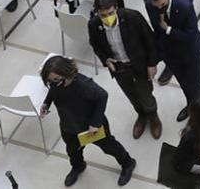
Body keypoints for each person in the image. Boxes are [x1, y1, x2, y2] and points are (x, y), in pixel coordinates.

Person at [39, 55, 136, 186]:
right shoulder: (57, 84)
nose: (55, 83)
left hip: (91, 128)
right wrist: (46, 103)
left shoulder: (83, 84)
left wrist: (95, 123)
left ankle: (128, 163)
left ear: (67, 73)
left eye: (56, 79)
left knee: (109, 147)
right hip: (69, 127)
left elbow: (102, 96)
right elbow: (53, 91)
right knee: (73, 151)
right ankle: (78, 166)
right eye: (52, 81)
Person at [88, 0, 160, 140]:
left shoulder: (133, 17)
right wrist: (105, 59)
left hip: (139, 64)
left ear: (116, 7)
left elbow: (149, 40)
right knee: (131, 95)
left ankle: (153, 116)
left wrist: (152, 64)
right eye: (103, 15)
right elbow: (95, 44)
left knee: (145, 94)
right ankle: (141, 115)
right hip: (119, 68)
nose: (107, 18)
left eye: (110, 13)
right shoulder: (94, 25)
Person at [147, 0, 200, 122]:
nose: (159, 8)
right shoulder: (150, 5)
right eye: (156, 6)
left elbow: (190, 35)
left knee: (196, 85)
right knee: (184, 83)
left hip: (190, 52)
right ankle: (191, 105)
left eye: (162, 5)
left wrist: (168, 29)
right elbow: (156, 31)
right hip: (170, 54)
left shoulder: (185, 6)